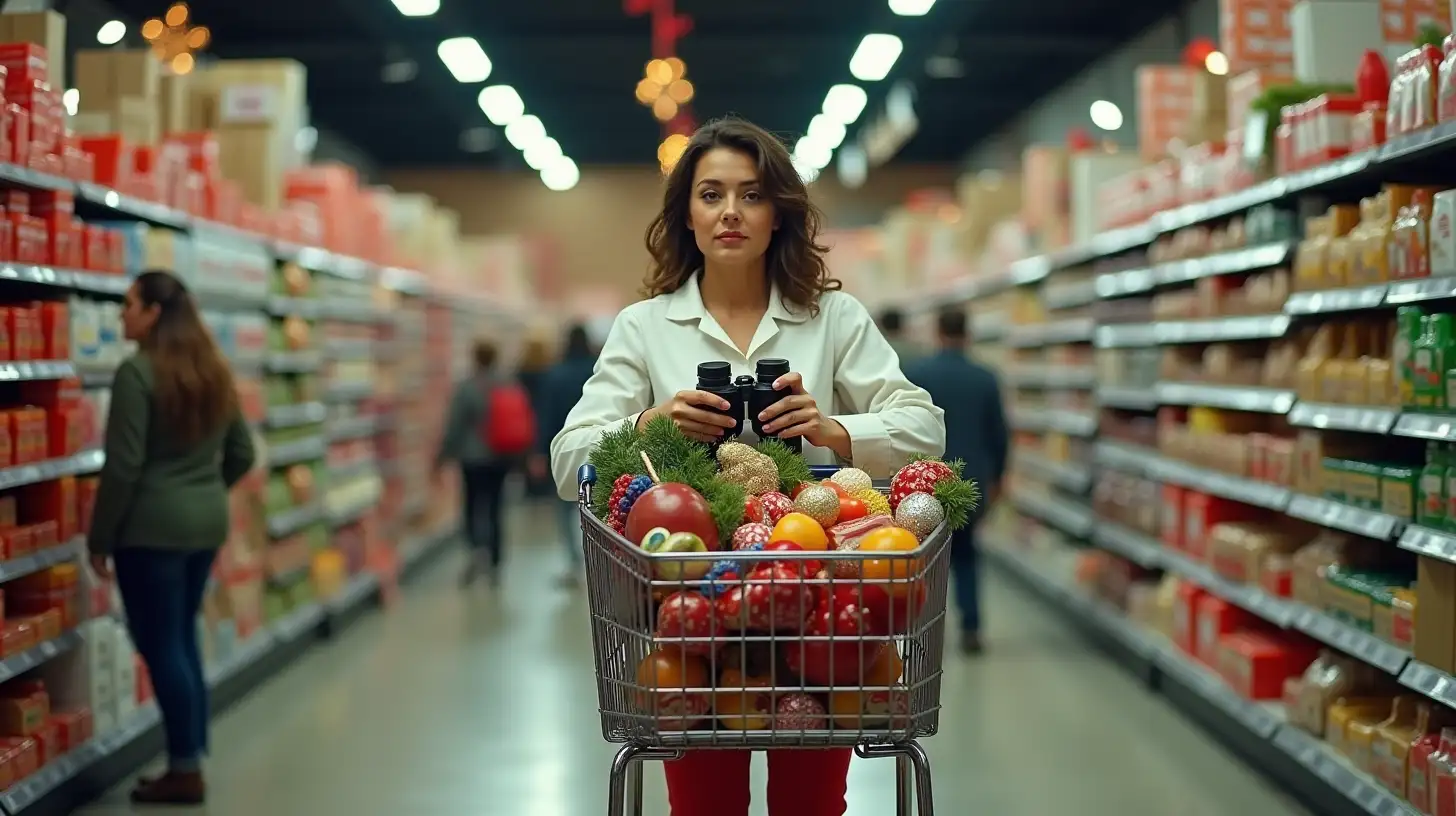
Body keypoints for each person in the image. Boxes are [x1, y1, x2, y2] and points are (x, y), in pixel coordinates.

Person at [550, 118, 945, 816]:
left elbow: (925, 429)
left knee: (812, 805)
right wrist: (650, 424)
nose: (731, 211)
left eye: (751, 194)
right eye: (710, 194)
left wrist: (832, 429)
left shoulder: (833, 318)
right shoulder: (643, 328)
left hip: (817, 608)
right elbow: (566, 458)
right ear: (687, 217)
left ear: (778, 214)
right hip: (688, 612)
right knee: (703, 806)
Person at [87, 270, 256, 805]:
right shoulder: (212, 372)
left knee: (162, 646)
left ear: (153, 313)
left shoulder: (137, 374)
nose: (121, 314)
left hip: (151, 532)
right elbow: (243, 453)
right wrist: (206, 490)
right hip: (205, 526)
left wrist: (101, 537)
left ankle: (185, 769)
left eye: (129, 304)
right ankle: (191, 753)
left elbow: (123, 468)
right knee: (181, 638)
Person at [903, 307, 1008, 655]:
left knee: (929, 559)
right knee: (966, 554)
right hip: (973, 480)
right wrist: (998, 477)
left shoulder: (919, 373)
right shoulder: (985, 377)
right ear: (967, 332)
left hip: (929, 482)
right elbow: (999, 434)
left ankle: (927, 628)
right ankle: (972, 627)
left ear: (937, 331)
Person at [435, 339, 525, 587]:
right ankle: (496, 559)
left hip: (472, 458)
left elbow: (455, 426)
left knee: (473, 506)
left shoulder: (466, 387)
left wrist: (443, 455)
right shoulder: (507, 384)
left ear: (475, 358)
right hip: (500, 456)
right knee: (496, 507)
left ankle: (476, 550)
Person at [534, 323, 598, 587]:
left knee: (564, 506)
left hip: (563, 450)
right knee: (595, 508)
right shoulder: (597, 371)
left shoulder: (556, 374)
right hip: (596, 449)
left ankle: (573, 563)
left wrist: (539, 453)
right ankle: (596, 561)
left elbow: (546, 416)